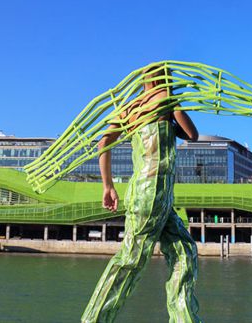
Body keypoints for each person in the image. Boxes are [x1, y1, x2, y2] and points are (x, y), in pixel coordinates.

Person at [81, 66, 202, 323]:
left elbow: (104, 142)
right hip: (152, 192)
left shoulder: (129, 108)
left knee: (183, 251)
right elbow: (193, 134)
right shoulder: (165, 100)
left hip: (155, 195)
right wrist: (173, 101)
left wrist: (108, 185)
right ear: (161, 80)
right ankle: (94, 320)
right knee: (130, 261)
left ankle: (184, 318)